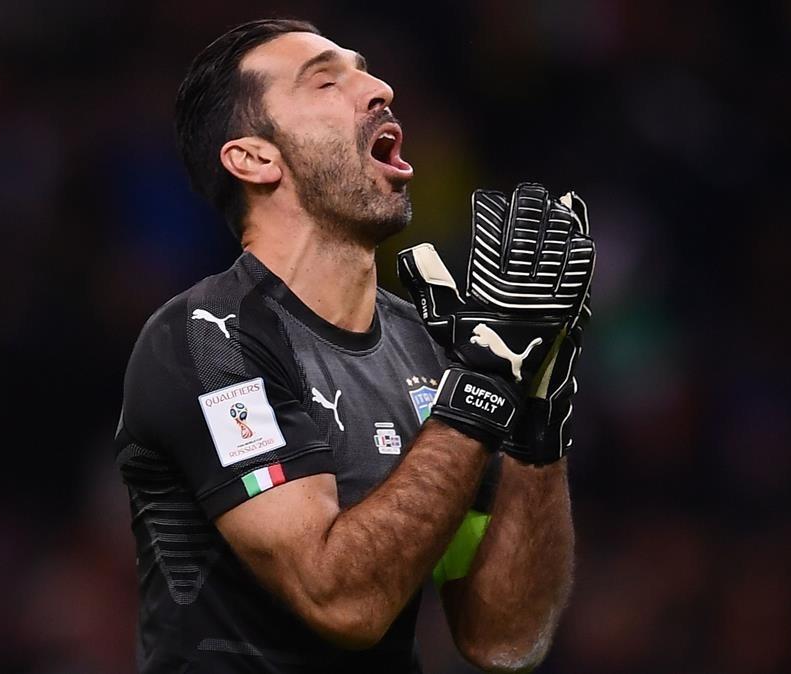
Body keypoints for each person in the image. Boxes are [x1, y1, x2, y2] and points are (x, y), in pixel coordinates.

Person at [113, 18, 594, 673]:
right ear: (255, 158)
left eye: (365, 70)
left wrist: (535, 426)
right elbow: (341, 603)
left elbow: (502, 639)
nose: (380, 89)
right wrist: (482, 385)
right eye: (326, 82)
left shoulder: (432, 353)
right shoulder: (206, 342)